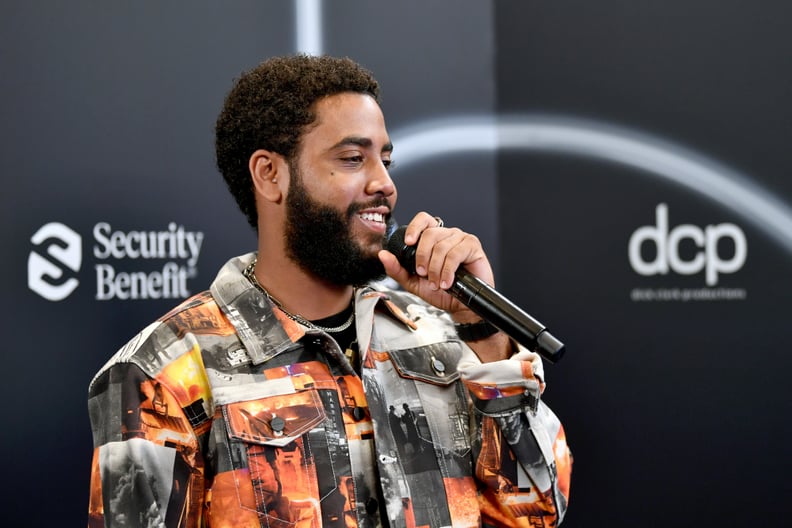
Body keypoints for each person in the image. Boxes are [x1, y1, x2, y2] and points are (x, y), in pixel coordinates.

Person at [87, 54, 572, 527]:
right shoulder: (160, 372)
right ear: (269, 174)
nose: (384, 183)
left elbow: (535, 513)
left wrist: (480, 329)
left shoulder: (442, 334)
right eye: (352, 158)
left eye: (385, 159)